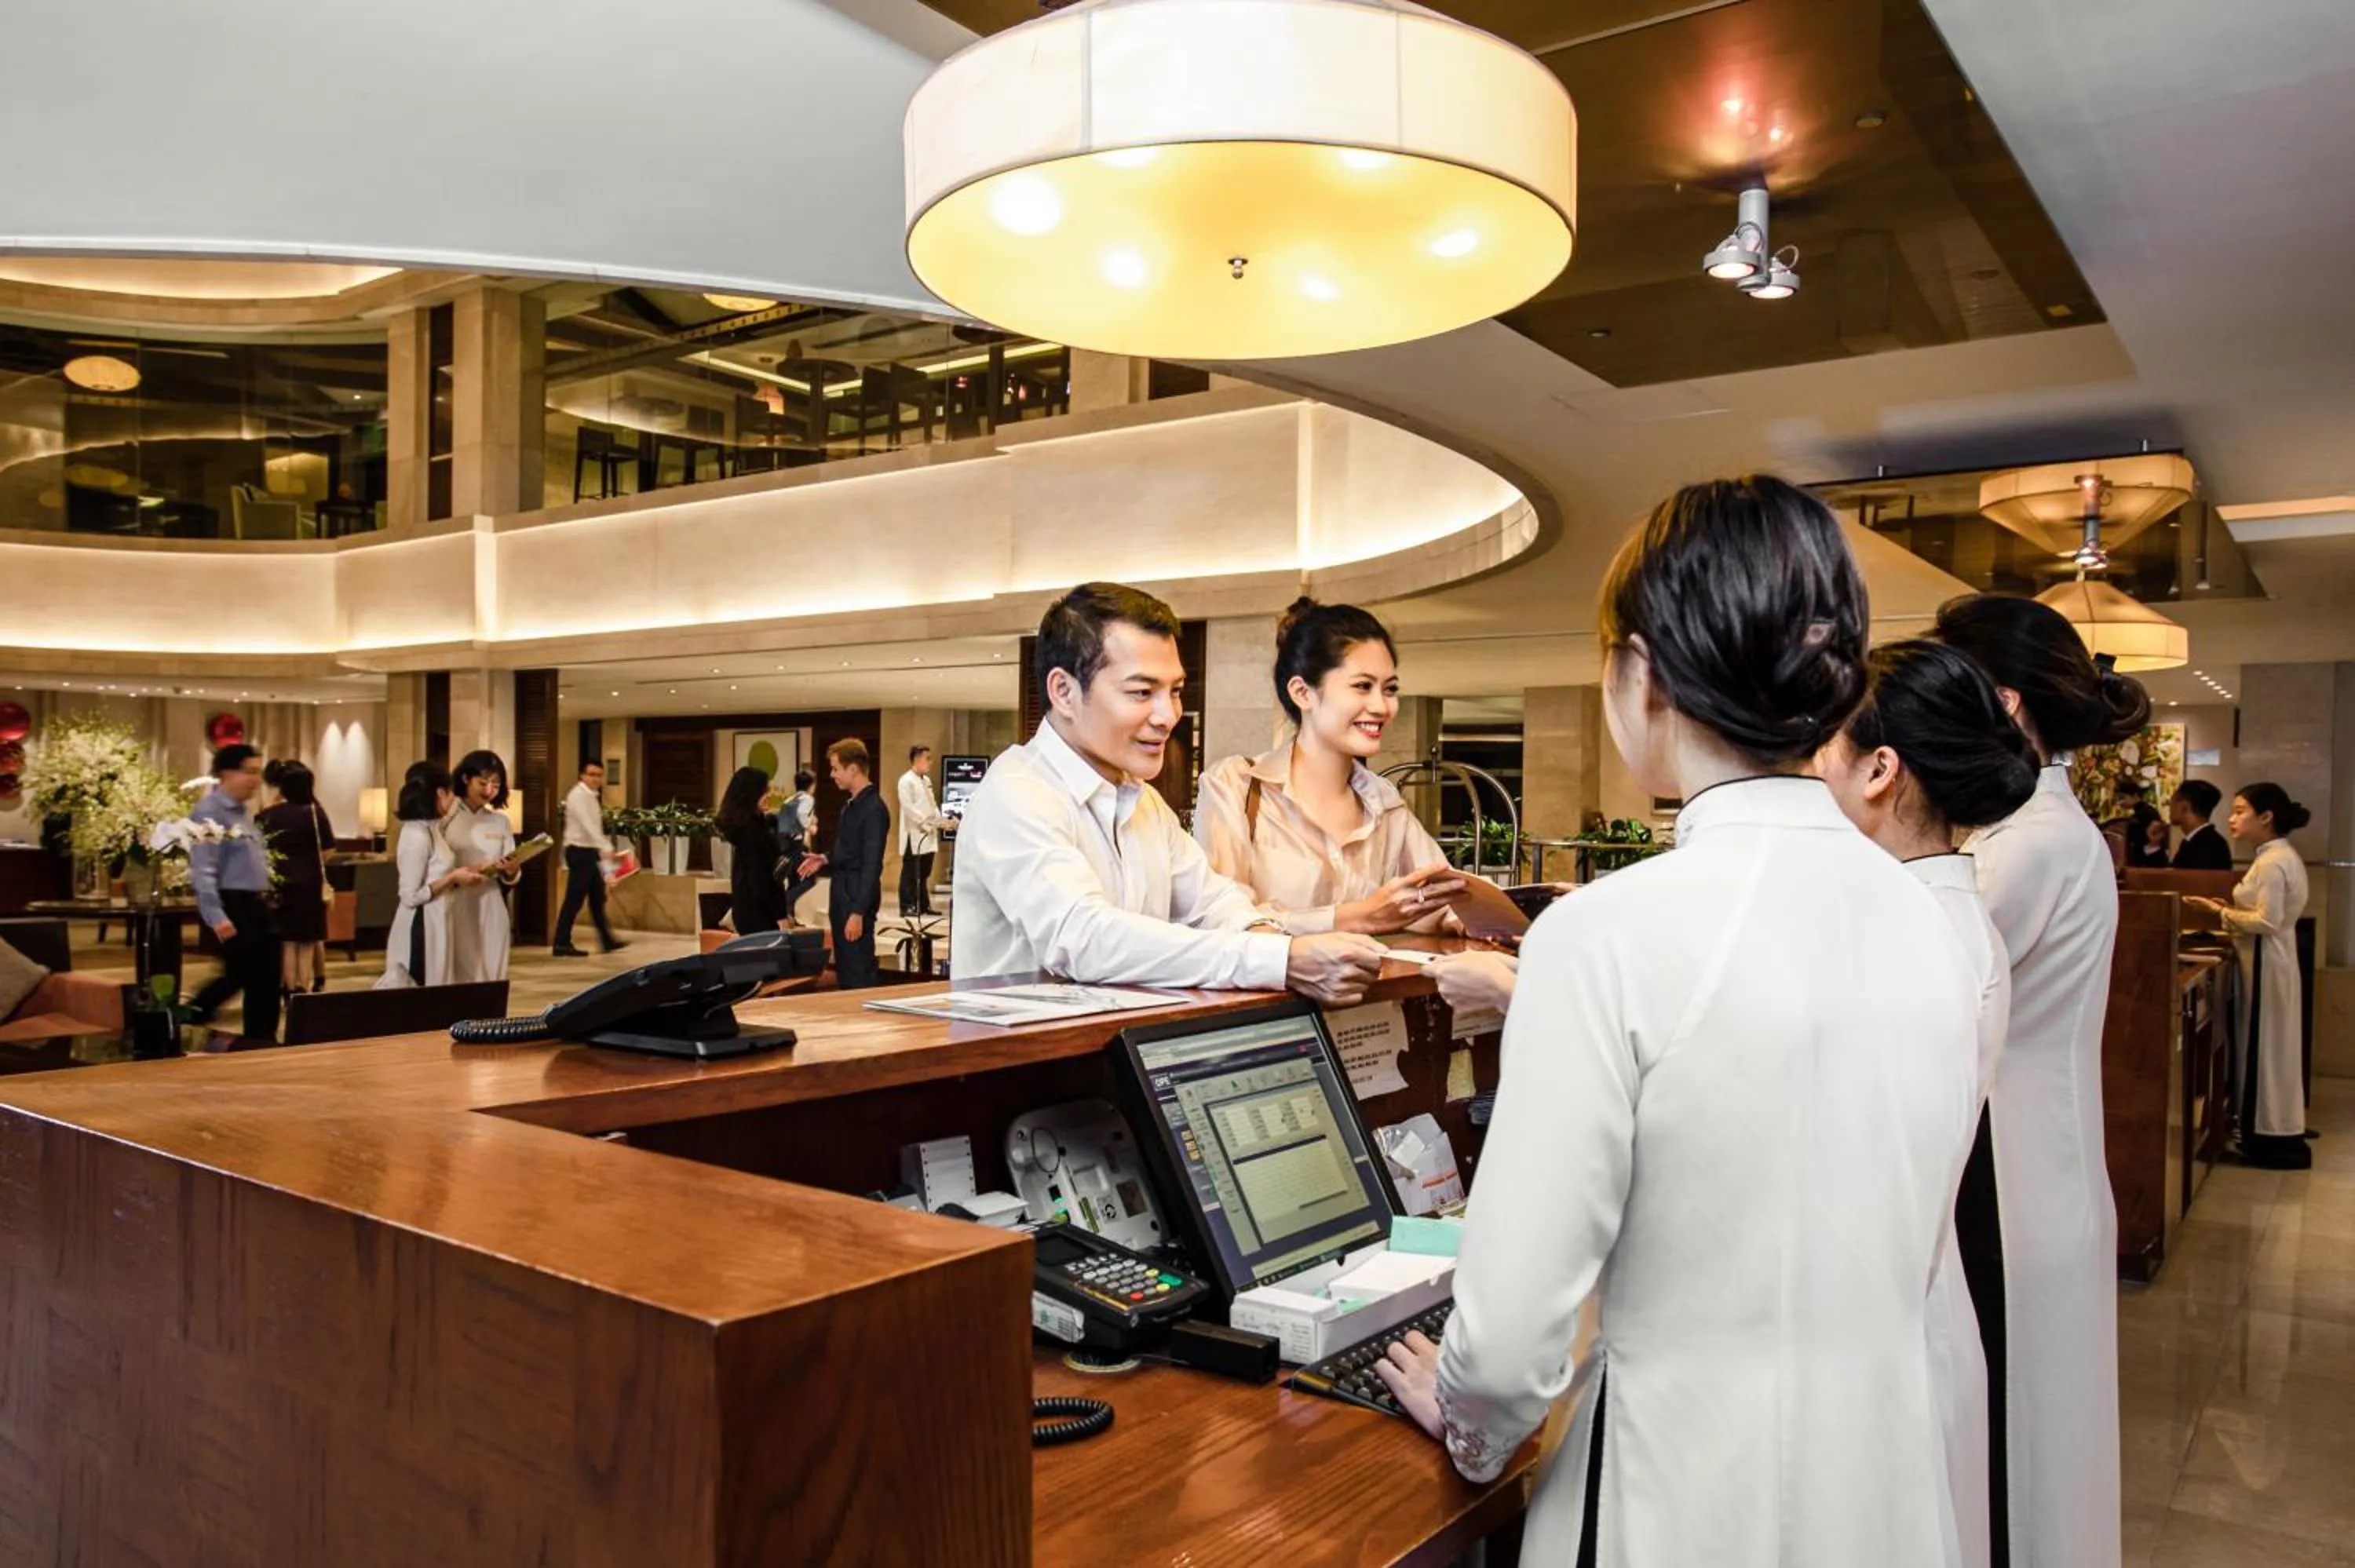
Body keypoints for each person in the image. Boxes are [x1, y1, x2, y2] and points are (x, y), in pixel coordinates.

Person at [1371, 476, 1981, 1566]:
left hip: (1679, 1498)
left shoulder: (1606, 935)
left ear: (1640, 672)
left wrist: (1466, 1421)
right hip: (1886, 1478)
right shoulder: (1932, 916)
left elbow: (1510, 1343)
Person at [1933, 591, 2150, 1568]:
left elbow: (1925, 987)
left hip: (2018, 1179)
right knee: (2038, 1436)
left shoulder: (2026, 847)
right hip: (2041, 1163)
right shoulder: (2033, 833)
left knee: (2020, 1439)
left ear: (2005, 705)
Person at [1816, 638, 2042, 1568]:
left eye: (1823, 748)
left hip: (1876, 1335)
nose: (1811, 771)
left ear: (1880, 769)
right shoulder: (1946, 914)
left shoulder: (1903, 938)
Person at [951, 584, 1387, 1001]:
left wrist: (1266, 939)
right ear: (1064, 692)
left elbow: (1211, 903)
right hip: (1020, 1068)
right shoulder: (1018, 792)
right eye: (1142, 692)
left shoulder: (1141, 799)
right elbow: (1084, 939)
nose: (1168, 715)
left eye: (1175, 691)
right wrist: (1280, 960)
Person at [1193, 597, 1465, 932]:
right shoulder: (1235, 785)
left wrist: (1484, 918)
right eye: (1362, 687)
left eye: (1390, 689)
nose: (1381, 706)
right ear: (1303, 693)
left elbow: (1440, 898)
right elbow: (1218, 920)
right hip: (1270, 984)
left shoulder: (1384, 802)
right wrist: (1356, 917)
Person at [2189, 783, 2313, 1169]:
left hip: (2267, 961)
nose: (2232, 818)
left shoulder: (2274, 861)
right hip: (2267, 959)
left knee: (2265, 1048)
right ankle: (2265, 1131)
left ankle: (2268, 1135)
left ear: (2266, 817)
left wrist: (2219, 913)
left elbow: (2268, 920)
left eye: (2241, 811)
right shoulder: (2273, 857)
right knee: (2268, 1047)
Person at [186, 743, 282, 1039]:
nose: (255, 779)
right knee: (243, 975)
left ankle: (262, 1039)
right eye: (249, 772)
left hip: (255, 905)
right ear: (226, 773)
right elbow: (203, 868)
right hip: (234, 903)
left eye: (258, 772)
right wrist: (216, 914)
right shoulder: (209, 812)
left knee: (264, 979)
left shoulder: (242, 812)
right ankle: (186, 1016)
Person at [376, 761, 480, 990]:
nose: (454, 800)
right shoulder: (416, 835)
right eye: (451, 792)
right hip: (421, 924)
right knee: (422, 988)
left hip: (439, 919)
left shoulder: (432, 829)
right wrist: (452, 878)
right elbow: (410, 896)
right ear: (440, 793)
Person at [798, 739, 889, 987]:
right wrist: (825, 857)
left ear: (853, 769)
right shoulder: (851, 806)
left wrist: (858, 912)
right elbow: (848, 849)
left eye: (836, 768)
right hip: (842, 894)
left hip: (855, 896)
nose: (832, 775)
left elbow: (872, 865)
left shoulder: (874, 809)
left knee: (857, 970)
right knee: (846, 970)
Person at [257, 760, 334, 997]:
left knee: (288, 940)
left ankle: (288, 990)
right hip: (309, 883)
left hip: (280, 883)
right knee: (307, 940)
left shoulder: (268, 815)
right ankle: (304, 986)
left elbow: (258, 849)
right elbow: (328, 850)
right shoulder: (315, 813)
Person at [444, 750, 520, 983]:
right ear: (466, 779)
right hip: (455, 903)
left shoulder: (500, 822)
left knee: (492, 973)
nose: (489, 790)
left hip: (491, 902)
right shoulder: (446, 818)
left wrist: (512, 869)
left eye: (496, 785)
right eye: (483, 782)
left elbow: (512, 872)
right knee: (462, 974)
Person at [553, 760, 625, 957]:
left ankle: (607, 940)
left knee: (597, 898)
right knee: (574, 899)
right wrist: (606, 846)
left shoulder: (591, 797)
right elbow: (588, 826)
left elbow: (594, 828)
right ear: (582, 776)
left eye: (599, 775)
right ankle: (561, 942)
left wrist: (603, 852)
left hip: (589, 851)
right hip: (579, 851)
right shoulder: (578, 796)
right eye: (591, 774)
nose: (595, 779)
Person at [717, 764, 791, 937]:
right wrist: (779, 914)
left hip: (753, 907)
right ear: (752, 794)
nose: (769, 795)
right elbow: (760, 877)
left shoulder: (755, 825)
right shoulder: (751, 831)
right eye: (765, 791)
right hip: (758, 911)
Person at [896, 746, 947, 917]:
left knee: (924, 872)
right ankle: (907, 905)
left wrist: (940, 821)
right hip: (915, 833)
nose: (930, 762)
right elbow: (908, 807)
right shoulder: (906, 781)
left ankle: (923, 905)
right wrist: (925, 822)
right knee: (911, 872)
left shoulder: (926, 780)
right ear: (917, 760)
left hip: (929, 833)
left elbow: (932, 805)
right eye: (928, 758)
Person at [774, 768, 820, 925]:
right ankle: (786, 902)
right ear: (812, 785)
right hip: (795, 844)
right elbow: (802, 815)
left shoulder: (790, 799)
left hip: (783, 843)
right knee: (809, 878)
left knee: (793, 880)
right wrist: (811, 827)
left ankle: (789, 916)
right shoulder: (807, 798)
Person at [2168, 779, 2233, 870]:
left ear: (2184, 807)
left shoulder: (2209, 846)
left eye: (2172, 803)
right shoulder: (2201, 841)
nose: (2170, 808)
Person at [2112, 778, 2168, 868]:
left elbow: (2155, 840)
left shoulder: (2147, 813)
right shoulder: (2140, 813)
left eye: (2122, 798)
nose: (2119, 802)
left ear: (2135, 796)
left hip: (2150, 862)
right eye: (2118, 799)